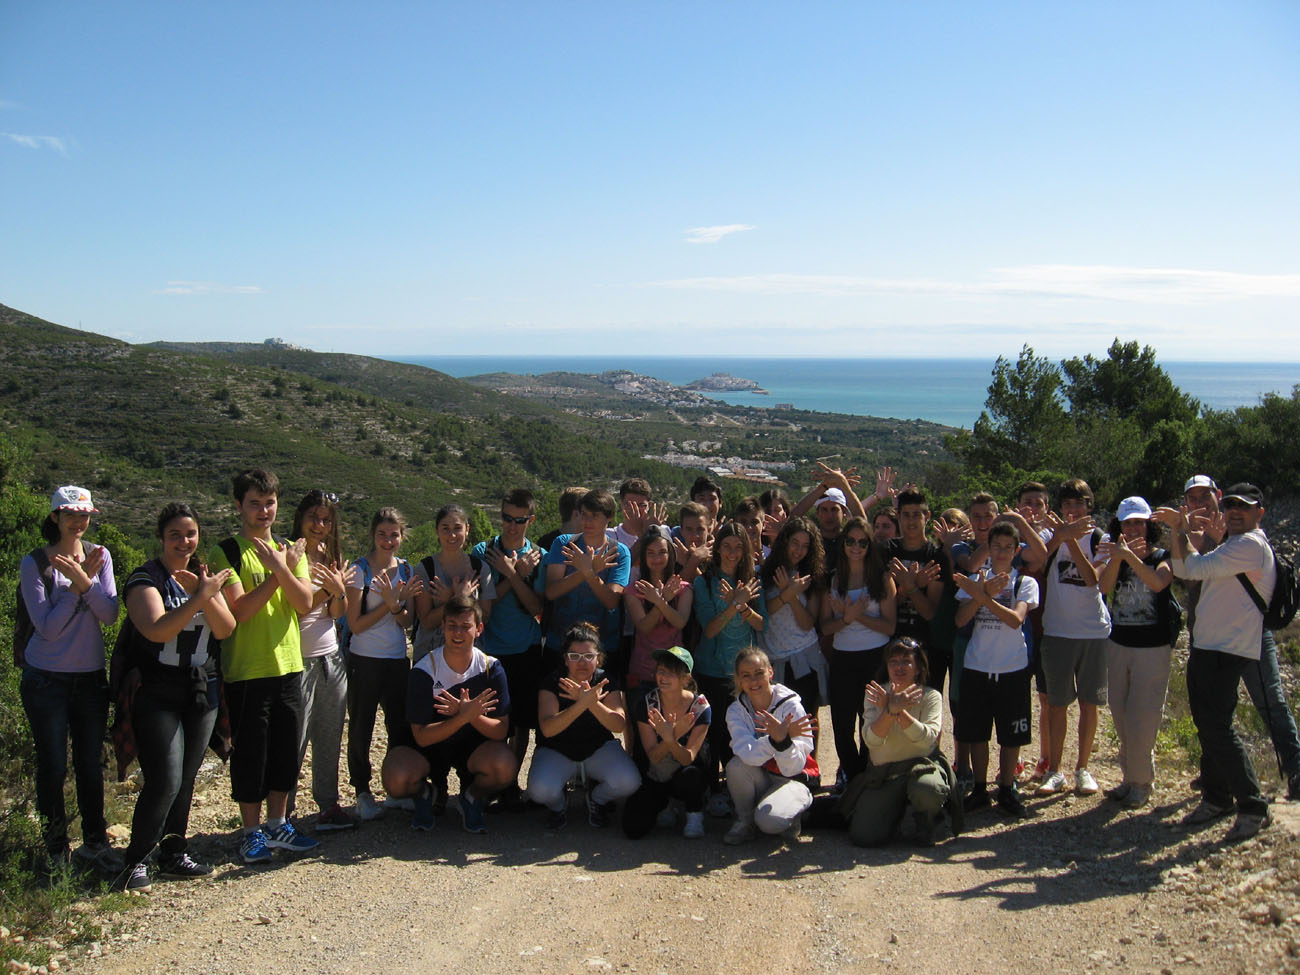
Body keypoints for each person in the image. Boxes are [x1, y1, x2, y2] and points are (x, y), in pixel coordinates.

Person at [114, 503, 237, 891]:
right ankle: (135, 859)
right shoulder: (144, 580)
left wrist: (204, 593)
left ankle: (172, 853)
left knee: (186, 778)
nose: (184, 542)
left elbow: (225, 628)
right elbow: (156, 630)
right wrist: (198, 599)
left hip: (201, 687)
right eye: (175, 535)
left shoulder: (203, 577)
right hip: (157, 688)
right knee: (164, 777)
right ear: (161, 538)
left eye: (190, 534)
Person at [209, 469, 319, 864]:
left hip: (289, 665)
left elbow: (305, 603)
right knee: (251, 753)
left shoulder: (292, 549)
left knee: (285, 751)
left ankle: (278, 823)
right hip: (247, 670)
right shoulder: (227, 551)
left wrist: (285, 566)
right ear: (239, 506)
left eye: (269, 503)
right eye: (254, 503)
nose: (263, 511)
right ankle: (251, 831)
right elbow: (239, 609)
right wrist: (279, 570)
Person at [19, 486, 123, 878]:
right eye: (69, 515)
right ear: (55, 518)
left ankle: (95, 842)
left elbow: (110, 613)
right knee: (52, 765)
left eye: (84, 515)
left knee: (89, 764)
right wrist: (81, 587)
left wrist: (85, 581)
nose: (78, 522)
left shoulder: (100, 556)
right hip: (46, 678)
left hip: (89, 676)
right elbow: (45, 628)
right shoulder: (36, 564)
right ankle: (55, 849)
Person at [1161, 483, 1275, 840]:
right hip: (1211, 645)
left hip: (1228, 647)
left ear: (1260, 512)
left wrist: (1179, 531)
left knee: (1217, 727)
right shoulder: (1232, 544)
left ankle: (1252, 805)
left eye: (1244, 507)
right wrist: (1181, 536)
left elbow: (1191, 568)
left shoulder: (1249, 544)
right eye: (1231, 506)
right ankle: (1217, 796)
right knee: (1210, 723)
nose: (1235, 512)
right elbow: (1184, 568)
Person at [1176, 475, 1300, 800]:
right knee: (1216, 714)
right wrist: (1201, 541)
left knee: (1269, 702)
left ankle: (1295, 771)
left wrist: (1198, 543)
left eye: (1206, 496)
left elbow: (1197, 569)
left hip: (1249, 635)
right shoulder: (1215, 535)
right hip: (1212, 636)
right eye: (1193, 497)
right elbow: (1190, 582)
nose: (1201, 503)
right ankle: (1216, 778)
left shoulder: (1242, 539)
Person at [383, 596, 517, 833]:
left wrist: (471, 716)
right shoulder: (424, 670)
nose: (458, 633)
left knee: (504, 765)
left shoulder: (490, 668)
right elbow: (422, 737)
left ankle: (471, 797)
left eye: (466, 626)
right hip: (430, 747)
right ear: (442, 626)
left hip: (473, 746)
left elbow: (501, 730)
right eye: (452, 625)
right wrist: (463, 717)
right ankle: (427, 793)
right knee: (396, 778)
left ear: (479, 629)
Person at [953, 522, 1038, 818]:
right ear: (988, 548)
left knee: (1011, 734)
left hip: (1012, 667)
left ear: (1016, 552)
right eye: (996, 546)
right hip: (977, 664)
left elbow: (1016, 620)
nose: (1001, 553)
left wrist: (983, 596)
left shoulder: (1024, 583)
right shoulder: (976, 579)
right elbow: (961, 621)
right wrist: (980, 592)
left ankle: (1006, 786)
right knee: (977, 732)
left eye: (1007, 548)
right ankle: (979, 788)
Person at [345, 508, 423, 822]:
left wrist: (396, 608)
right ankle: (362, 791)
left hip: (395, 658)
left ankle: (395, 790)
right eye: (382, 534)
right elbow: (356, 624)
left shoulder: (406, 570)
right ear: (373, 535)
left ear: (402, 537)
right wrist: (388, 604)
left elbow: (408, 620)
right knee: (361, 726)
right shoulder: (359, 570)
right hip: (364, 658)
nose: (388, 540)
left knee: (398, 726)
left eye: (394, 535)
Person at [1097, 497, 1175, 809]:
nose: (1133, 527)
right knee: (1120, 712)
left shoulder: (1162, 557)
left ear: (1149, 525)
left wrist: (1131, 557)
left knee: (1143, 717)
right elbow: (1104, 587)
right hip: (1120, 644)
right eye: (1127, 523)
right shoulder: (1118, 556)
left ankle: (1142, 782)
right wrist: (1118, 557)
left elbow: (1158, 583)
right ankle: (1130, 777)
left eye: (1138, 522)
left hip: (1152, 649)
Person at [1035, 478, 1110, 798]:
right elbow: (1037, 561)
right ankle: (1054, 770)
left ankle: (1083, 768)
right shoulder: (1049, 535)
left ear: (1088, 507)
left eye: (1079, 504)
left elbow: (1095, 579)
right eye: (1067, 505)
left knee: (1090, 703)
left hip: (1092, 630)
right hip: (1057, 631)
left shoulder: (1101, 539)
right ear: (1060, 508)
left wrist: (1073, 541)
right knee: (1056, 704)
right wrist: (1059, 537)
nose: (1073, 510)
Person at [526, 623, 640, 829]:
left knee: (629, 781)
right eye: (574, 656)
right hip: (556, 750)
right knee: (539, 791)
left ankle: (597, 799)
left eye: (588, 656)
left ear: (598, 658)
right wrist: (581, 704)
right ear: (565, 659)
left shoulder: (605, 680)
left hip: (597, 748)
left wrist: (592, 703)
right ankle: (559, 806)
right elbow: (548, 729)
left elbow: (618, 724)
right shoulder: (552, 682)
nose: (582, 663)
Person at [840, 638, 952, 846]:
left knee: (928, 790)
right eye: (894, 661)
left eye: (906, 661)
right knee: (864, 835)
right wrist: (889, 711)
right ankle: (895, 816)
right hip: (886, 773)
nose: (899, 667)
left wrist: (897, 711)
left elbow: (928, 739)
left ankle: (928, 820)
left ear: (918, 668)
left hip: (922, 766)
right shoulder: (875, 694)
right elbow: (872, 741)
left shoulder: (931, 696)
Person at [472, 489, 545, 805]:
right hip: (490, 650)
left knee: (521, 722)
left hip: (526, 649)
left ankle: (511, 784)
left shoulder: (539, 556)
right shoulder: (483, 551)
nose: (511, 526)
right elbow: (481, 607)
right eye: (505, 518)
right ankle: (491, 781)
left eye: (519, 520)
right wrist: (512, 575)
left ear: (530, 519)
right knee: (492, 720)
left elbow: (535, 607)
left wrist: (515, 575)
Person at [289, 490, 356, 831]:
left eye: (326, 519)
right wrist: (330, 590)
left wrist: (339, 591)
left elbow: (336, 610)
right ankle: (281, 814)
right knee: (295, 739)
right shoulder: (290, 553)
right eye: (313, 517)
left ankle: (328, 804)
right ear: (301, 517)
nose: (319, 525)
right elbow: (299, 605)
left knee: (329, 735)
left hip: (330, 655)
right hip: (297, 658)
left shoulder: (331, 556)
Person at [691, 522, 767, 814]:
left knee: (743, 735)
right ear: (717, 548)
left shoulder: (755, 580)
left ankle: (742, 792)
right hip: (712, 669)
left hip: (746, 674)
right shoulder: (704, 583)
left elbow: (763, 624)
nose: (732, 553)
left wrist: (744, 607)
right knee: (713, 735)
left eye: (738, 547)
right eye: (726, 546)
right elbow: (709, 630)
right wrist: (734, 606)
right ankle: (712, 791)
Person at [819, 516, 896, 785]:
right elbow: (826, 627)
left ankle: (865, 776)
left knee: (870, 721)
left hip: (874, 659)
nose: (856, 546)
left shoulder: (882, 578)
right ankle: (850, 775)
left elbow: (889, 626)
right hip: (843, 658)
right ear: (843, 544)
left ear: (869, 545)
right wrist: (846, 619)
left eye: (862, 542)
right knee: (841, 724)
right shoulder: (835, 579)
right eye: (850, 541)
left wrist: (855, 616)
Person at [723, 647, 815, 844]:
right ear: (739, 680)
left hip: (791, 779)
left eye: (759, 673)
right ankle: (745, 821)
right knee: (735, 766)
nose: (754, 681)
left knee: (770, 823)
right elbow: (747, 754)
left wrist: (783, 743)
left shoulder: (792, 706)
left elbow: (794, 767)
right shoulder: (735, 711)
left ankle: (792, 814)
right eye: (746, 676)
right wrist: (777, 739)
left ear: (770, 672)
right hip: (761, 776)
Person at [622, 647, 712, 839]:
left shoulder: (700, 708)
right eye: (660, 671)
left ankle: (694, 812)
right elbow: (653, 755)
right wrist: (672, 736)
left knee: (692, 775)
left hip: (686, 772)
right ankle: (666, 804)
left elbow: (688, 758)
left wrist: (672, 737)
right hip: (656, 772)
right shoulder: (646, 703)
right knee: (633, 828)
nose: (662, 677)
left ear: (686, 679)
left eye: (670, 673)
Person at [544, 489, 631, 661]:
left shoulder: (619, 552)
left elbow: (612, 601)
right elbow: (551, 592)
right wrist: (587, 571)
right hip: (560, 644)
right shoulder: (565, 543)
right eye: (584, 515)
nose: (587, 521)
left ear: (610, 517)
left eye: (595, 516)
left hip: (601, 648)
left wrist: (588, 573)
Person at [758, 516, 828, 725]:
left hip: (804, 660)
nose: (798, 551)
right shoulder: (765, 573)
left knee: (807, 724)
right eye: (795, 544)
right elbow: (763, 614)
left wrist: (792, 595)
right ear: (784, 542)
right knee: (777, 728)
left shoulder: (813, 577)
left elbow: (807, 623)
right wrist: (786, 594)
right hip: (773, 662)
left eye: (805, 546)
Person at [413, 503, 495, 664]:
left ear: (467, 529)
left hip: (470, 661)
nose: (452, 535)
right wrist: (458, 598)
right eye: (445, 528)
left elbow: (485, 616)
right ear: (437, 530)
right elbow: (427, 621)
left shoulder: (480, 568)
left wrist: (452, 598)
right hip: (430, 661)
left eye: (457, 528)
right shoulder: (425, 569)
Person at [624, 525, 693, 705]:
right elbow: (644, 626)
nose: (657, 558)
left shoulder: (683, 588)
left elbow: (680, 622)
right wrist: (662, 601)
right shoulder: (634, 590)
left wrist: (659, 601)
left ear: (670, 554)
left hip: (675, 671)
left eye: (662, 552)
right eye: (651, 553)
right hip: (643, 672)